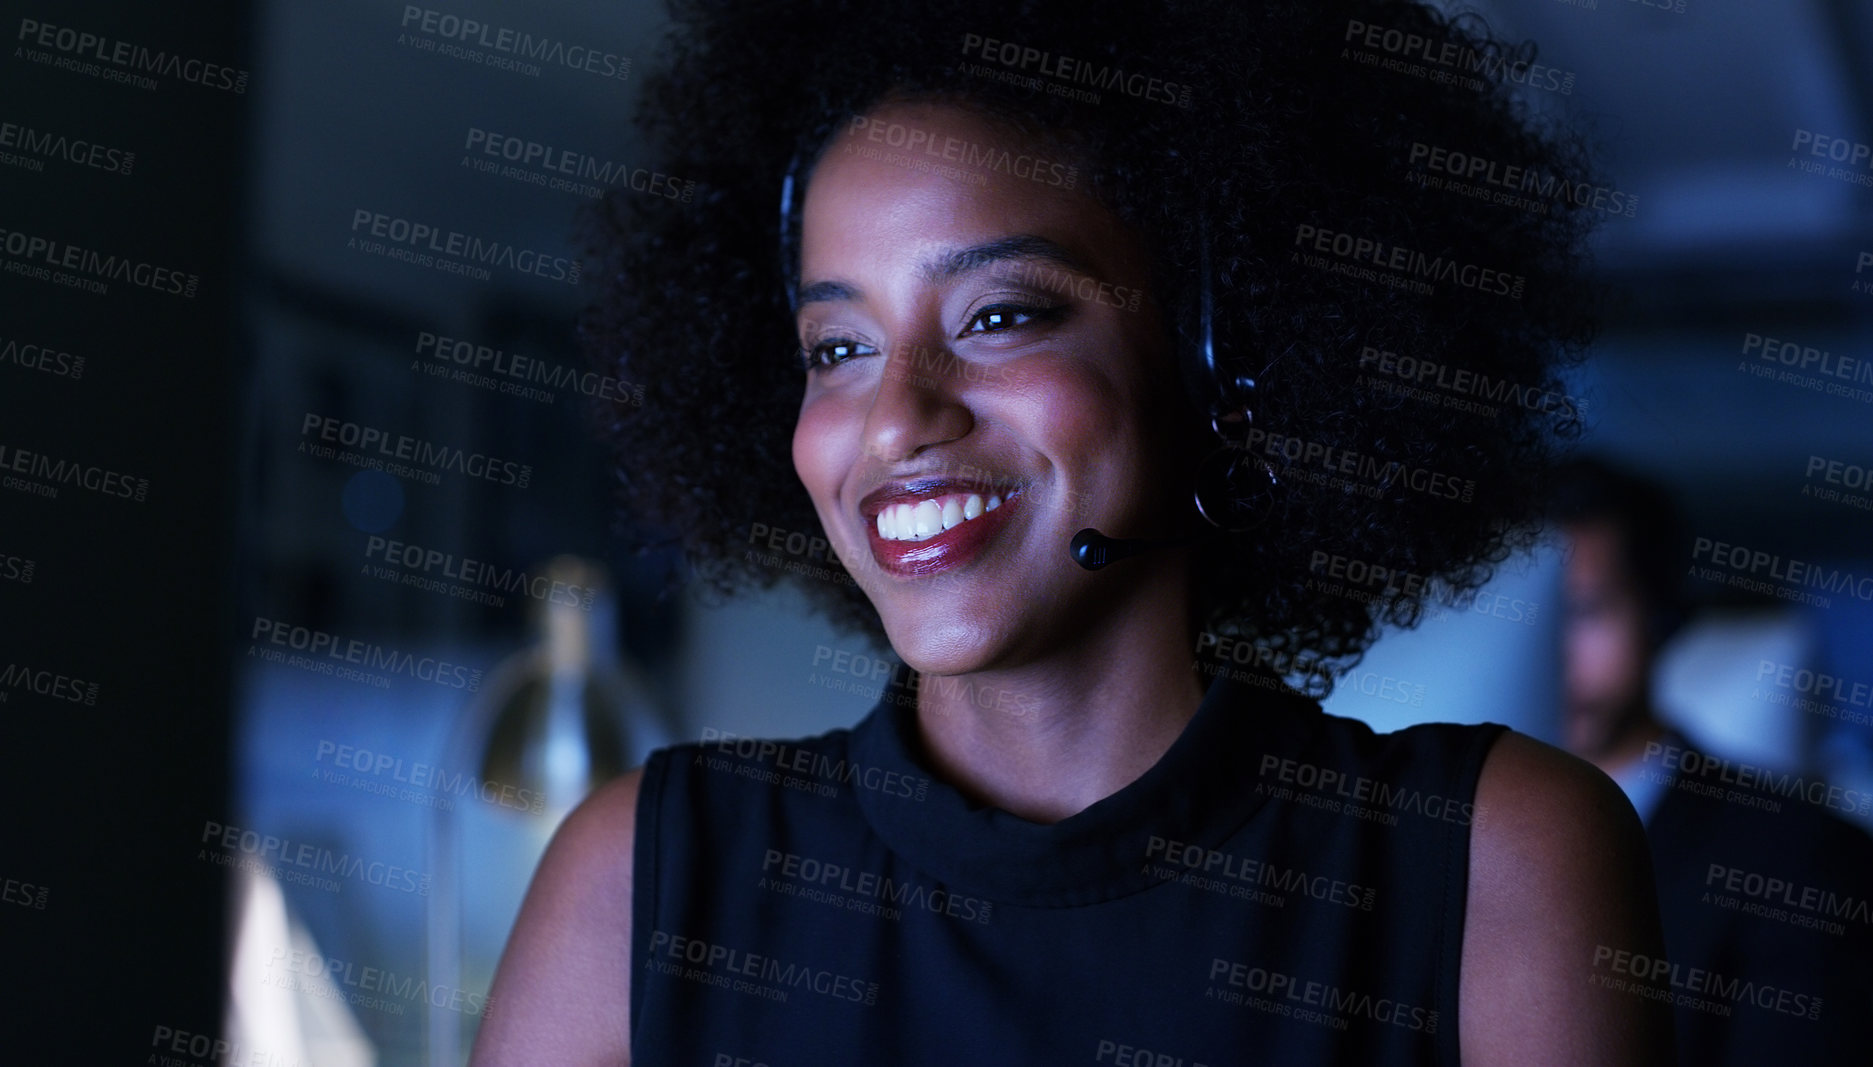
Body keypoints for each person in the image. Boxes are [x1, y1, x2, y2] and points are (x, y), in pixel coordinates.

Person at [473, 2, 1674, 1063]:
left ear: (1232, 367)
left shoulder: (1493, 859)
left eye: (1001, 315)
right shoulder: (642, 875)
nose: (896, 420)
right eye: (837, 348)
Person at [1551, 456, 1873, 1064]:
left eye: (1584, 613)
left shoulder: (1802, 862)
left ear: (1662, 617)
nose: (1550, 657)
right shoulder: (1433, 835)